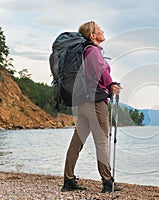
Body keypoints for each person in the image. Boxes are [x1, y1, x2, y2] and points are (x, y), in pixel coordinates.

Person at [61, 21, 123, 193]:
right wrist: (111, 85)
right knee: (102, 141)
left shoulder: (84, 51)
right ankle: (107, 182)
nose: (102, 31)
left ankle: (68, 180)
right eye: (99, 29)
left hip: (82, 102)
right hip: (95, 101)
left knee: (77, 142)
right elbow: (100, 71)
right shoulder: (93, 51)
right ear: (93, 36)